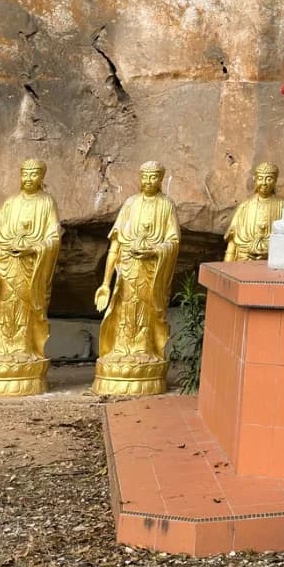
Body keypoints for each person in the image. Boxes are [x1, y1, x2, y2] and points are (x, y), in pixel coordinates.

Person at [0, 159, 62, 395]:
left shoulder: (46, 203)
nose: (29, 178)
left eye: (34, 174)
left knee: (26, 308)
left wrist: (34, 248)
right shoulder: (10, 203)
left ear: (42, 177)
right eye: (26, 173)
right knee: (1, 308)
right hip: (6, 269)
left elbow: (53, 239)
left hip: (31, 269)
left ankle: (24, 348)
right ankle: (0, 349)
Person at [94, 162, 181, 396]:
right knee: (123, 307)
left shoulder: (166, 205)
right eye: (146, 176)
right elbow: (116, 243)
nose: (149, 181)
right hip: (129, 267)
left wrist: (155, 251)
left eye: (154, 177)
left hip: (151, 270)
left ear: (161, 179)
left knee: (146, 308)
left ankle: (143, 347)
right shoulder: (131, 204)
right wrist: (105, 281)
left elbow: (173, 241)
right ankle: (122, 348)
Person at [224, 162, 284, 261]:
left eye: (269, 179)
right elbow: (232, 239)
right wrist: (227, 264)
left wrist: (269, 254)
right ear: (254, 180)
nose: (264, 183)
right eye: (260, 178)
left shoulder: (282, 205)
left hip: (271, 260)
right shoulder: (245, 206)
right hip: (243, 258)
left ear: (275, 181)